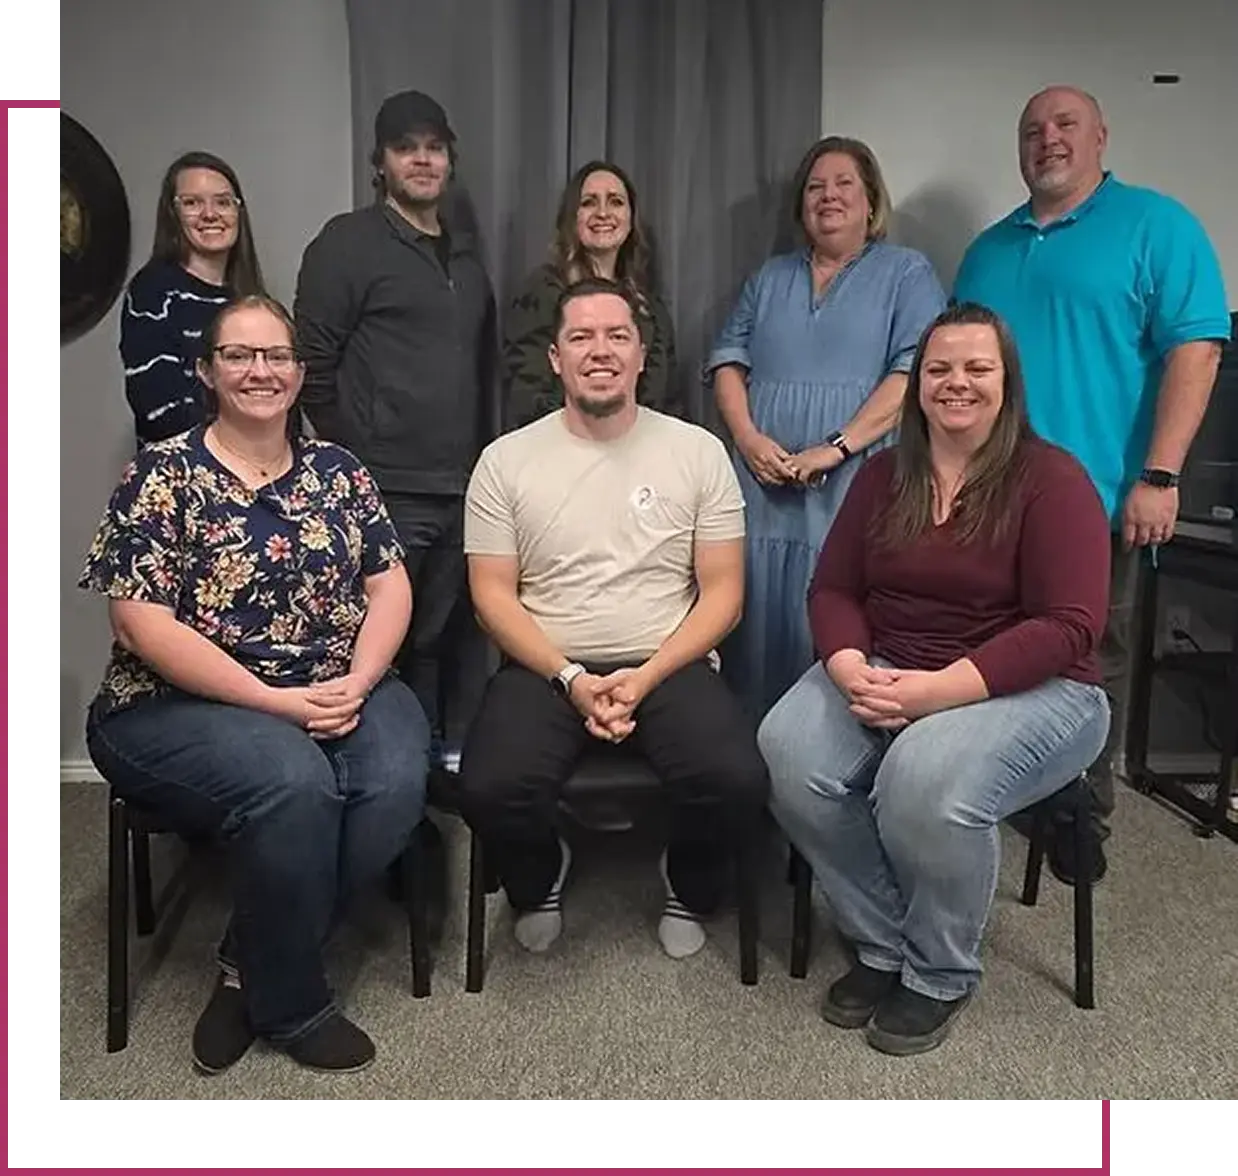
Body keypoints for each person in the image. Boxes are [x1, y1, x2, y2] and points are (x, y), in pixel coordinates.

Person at [81, 295, 430, 1075]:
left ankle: (245, 957)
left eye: (275, 356)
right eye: (239, 356)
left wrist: (360, 681)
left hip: (338, 680)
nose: (259, 371)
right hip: (173, 706)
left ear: (299, 374)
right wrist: (275, 704)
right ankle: (292, 1004)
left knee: (397, 777)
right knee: (294, 782)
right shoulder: (163, 475)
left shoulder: (341, 472)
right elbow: (140, 624)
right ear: (207, 372)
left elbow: (390, 585)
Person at [758, 302, 1112, 1057]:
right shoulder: (886, 472)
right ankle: (886, 943)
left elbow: (1069, 626)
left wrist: (939, 691)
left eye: (977, 368)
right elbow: (834, 590)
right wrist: (848, 664)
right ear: (918, 384)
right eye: (940, 369)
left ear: (1006, 381)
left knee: (923, 778)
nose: (958, 383)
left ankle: (942, 972)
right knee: (788, 749)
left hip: (1041, 687)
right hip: (888, 663)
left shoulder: (1053, 479)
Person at [953, 85, 1230, 884]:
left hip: (1099, 503)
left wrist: (1161, 475)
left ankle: (1081, 812)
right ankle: (1006, 792)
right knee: (989, 651)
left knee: (1090, 660)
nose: (1048, 140)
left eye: (1065, 124)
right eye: (1032, 129)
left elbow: (1198, 350)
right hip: (987, 502)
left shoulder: (1157, 226)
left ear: (1101, 136)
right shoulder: (987, 250)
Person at [457, 278, 770, 960]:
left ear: (639, 353)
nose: (600, 351)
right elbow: (492, 596)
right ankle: (539, 877)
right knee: (486, 788)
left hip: (669, 659)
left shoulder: (696, 452)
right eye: (581, 337)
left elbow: (723, 594)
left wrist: (648, 674)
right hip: (544, 665)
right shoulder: (504, 461)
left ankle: (688, 880)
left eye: (616, 336)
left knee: (737, 781)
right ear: (556, 359)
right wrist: (571, 677)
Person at [706, 136, 946, 722]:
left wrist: (837, 447)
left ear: (871, 202)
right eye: (816, 186)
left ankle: (820, 762)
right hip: (762, 482)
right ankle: (748, 766)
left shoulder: (906, 273)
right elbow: (726, 361)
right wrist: (748, 440)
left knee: (836, 611)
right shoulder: (769, 278)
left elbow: (914, 374)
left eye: (844, 184)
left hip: (855, 478)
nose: (829, 196)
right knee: (754, 608)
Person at [293, 89, 497, 763]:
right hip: (381, 489)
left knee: (441, 638)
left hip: (460, 487)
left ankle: (425, 777)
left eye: (433, 147)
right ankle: (376, 786)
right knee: (381, 645)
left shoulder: (467, 261)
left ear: (451, 159)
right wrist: (353, 465)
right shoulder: (346, 244)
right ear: (379, 162)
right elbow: (310, 365)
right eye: (406, 148)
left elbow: (482, 370)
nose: (421, 160)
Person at [503, 160, 679, 429]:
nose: (603, 213)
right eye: (588, 203)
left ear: (632, 218)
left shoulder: (650, 308)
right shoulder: (542, 294)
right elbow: (529, 395)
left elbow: (666, 402)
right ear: (571, 217)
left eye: (616, 202)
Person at [120, 152, 266, 447]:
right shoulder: (153, 292)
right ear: (172, 215)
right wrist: (242, 446)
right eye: (192, 202)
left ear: (239, 212)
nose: (210, 214)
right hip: (183, 476)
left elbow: (275, 401)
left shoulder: (251, 300)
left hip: (257, 472)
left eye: (223, 201)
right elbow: (159, 412)